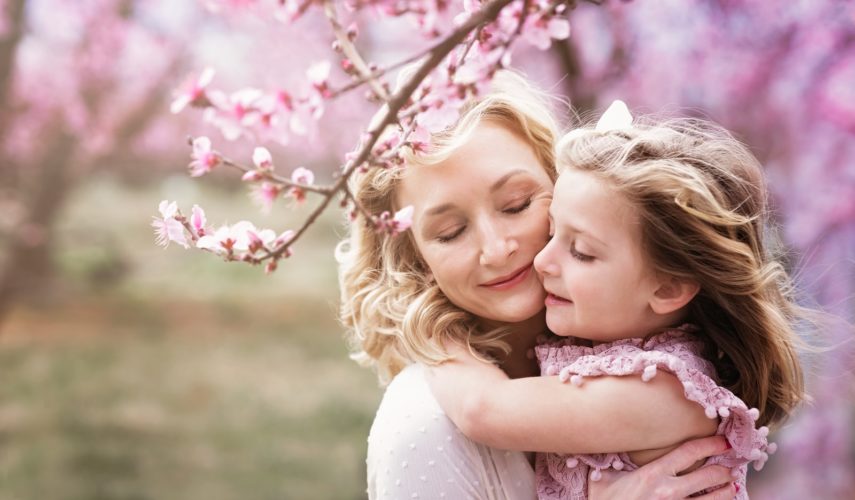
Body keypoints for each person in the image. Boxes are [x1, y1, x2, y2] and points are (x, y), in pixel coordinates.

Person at [337, 71, 737, 499]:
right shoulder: (424, 420)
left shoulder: (662, 374)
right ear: (416, 258)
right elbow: (481, 410)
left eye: (517, 204)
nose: (496, 249)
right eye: (451, 232)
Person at [426, 102, 807, 498]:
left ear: (667, 289)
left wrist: (431, 326)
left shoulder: (662, 391)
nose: (542, 260)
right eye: (552, 230)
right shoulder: (614, 359)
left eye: (582, 252)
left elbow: (482, 411)